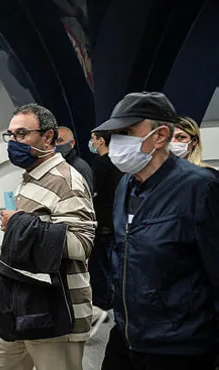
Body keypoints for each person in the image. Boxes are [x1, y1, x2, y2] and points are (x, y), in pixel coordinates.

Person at [92, 92, 219, 370]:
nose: (117, 142)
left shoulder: (200, 188)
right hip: (127, 337)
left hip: (177, 348)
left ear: (160, 135)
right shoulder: (126, 184)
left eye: (126, 132)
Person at [0, 104, 95, 370]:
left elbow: (82, 244)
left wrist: (20, 224)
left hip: (56, 309)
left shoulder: (66, 181)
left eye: (22, 134)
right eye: (10, 135)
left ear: (48, 137)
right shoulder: (32, 177)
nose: (14, 142)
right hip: (19, 304)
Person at [86, 130, 123, 334]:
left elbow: (93, 191)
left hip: (100, 223)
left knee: (98, 267)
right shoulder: (119, 163)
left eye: (93, 139)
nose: (91, 142)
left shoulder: (101, 163)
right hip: (114, 223)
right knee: (112, 266)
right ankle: (111, 303)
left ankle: (100, 306)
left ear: (101, 141)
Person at [56, 126, 94, 191]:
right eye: (53, 141)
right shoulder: (54, 163)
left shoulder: (80, 166)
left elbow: (88, 193)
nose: (56, 144)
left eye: (60, 141)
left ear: (72, 143)